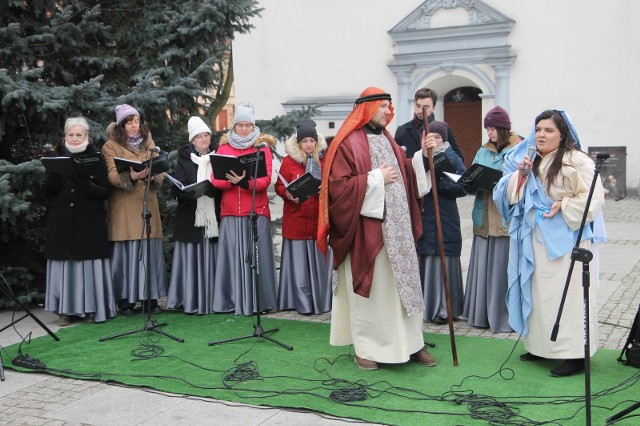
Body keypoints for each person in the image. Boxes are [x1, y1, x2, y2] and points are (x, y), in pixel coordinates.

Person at [317, 86, 436, 370]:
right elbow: (338, 188)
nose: (388, 112)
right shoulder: (347, 142)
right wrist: (374, 178)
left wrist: (422, 157)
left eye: (388, 107)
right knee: (377, 291)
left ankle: (411, 343)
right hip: (368, 231)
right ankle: (367, 347)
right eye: (383, 107)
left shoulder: (388, 139)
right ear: (368, 108)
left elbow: (405, 172)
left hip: (398, 230)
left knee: (401, 288)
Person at [494, 109, 605, 377]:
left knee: (567, 297)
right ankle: (542, 346)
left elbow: (593, 198)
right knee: (539, 294)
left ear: (562, 134)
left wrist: (563, 204)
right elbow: (513, 195)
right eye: (538, 129)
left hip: (567, 240)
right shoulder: (530, 159)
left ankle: (575, 354)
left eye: (548, 130)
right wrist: (520, 176)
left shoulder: (578, 161)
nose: (541, 135)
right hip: (535, 240)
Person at [42, 117, 116, 325]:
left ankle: (92, 308)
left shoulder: (95, 158)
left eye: (79, 135)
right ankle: (66, 311)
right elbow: (44, 194)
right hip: (62, 221)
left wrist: (87, 184)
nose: (74, 139)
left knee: (89, 266)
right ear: (65, 136)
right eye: (70, 135)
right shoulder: (55, 157)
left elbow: (105, 192)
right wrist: (53, 182)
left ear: (87, 137)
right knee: (66, 265)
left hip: (89, 221)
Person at [211, 104, 278, 315]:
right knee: (233, 259)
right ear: (234, 125)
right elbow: (215, 181)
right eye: (240, 125)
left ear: (253, 125)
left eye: (248, 125)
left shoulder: (262, 148)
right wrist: (233, 181)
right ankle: (231, 301)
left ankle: (262, 302)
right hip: (231, 213)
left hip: (255, 212)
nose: (244, 129)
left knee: (259, 259)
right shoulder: (223, 149)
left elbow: (265, 180)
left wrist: (245, 182)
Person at [102, 104, 167, 315]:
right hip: (125, 207)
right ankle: (126, 301)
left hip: (148, 203)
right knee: (127, 253)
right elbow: (112, 175)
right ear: (121, 125)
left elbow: (161, 171)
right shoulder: (110, 146)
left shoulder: (149, 143)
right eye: (129, 122)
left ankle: (150, 299)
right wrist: (131, 176)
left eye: (136, 121)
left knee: (149, 252)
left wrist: (155, 173)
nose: (134, 126)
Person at [463, 106, 521, 333]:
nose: (490, 132)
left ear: (505, 129)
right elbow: (474, 173)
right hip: (483, 219)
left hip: (504, 220)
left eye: (493, 128)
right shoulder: (483, 151)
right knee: (483, 268)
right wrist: (469, 183)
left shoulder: (518, 150)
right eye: (487, 128)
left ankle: (503, 317)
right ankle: (481, 315)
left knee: (501, 270)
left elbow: (521, 183)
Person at [275, 119, 331, 315]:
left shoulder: (324, 160)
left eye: (311, 141)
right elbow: (279, 185)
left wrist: (325, 188)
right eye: (304, 141)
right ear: (298, 143)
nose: (308, 144)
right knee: (298, 266)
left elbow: (333, 183)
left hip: (318, 219)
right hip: (296, 218)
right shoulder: (289, 162)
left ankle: (321, 301)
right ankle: (302, 304)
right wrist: (288, 194)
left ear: (316, 142)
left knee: (319, 263)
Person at [166, 117, 221, 315]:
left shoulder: (217, 157)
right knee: (191, 257)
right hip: (190, 216)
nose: (204, 139)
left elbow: (223, 183)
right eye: (199, 136)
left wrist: (214, 190)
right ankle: (189, 299)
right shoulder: (184, 159)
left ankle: (213, 298)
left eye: (206, 135)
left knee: (211, 255)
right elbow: (177, 187)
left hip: (212, 216)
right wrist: (186, 192)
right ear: (193, 140)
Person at [414, 121, 466, 325]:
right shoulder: (418, 158)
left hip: (446, 215)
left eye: (437, 137)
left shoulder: (451, 156)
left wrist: (439, 185)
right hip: (425, 215)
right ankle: (426, 306)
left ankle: (446, 308)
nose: (433, 140)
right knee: (427, 256)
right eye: (429, 136)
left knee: (445, 257)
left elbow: (464, 185)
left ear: (443, 139)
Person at [394, 87, 464, 160]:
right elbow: (395, 159)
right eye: (418, 106)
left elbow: (458, 158)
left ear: (434, 107)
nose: (421, 110)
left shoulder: (444, 129)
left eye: (426, 107)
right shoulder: (401, 130)